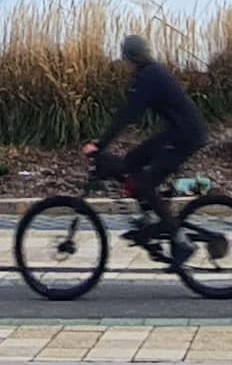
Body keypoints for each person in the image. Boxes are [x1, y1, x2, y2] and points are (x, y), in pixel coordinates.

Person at [84, 33, 206, 245]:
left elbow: (128, 115)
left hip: (186, 136)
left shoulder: (148, 77)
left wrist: (100, 144)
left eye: (125, 58)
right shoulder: (150, 73)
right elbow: (130, 112)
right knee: (132, 161)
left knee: (145, 184)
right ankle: (147, 218)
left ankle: (181, 241)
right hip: (180, 131)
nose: (125, 63)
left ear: (131, 57)